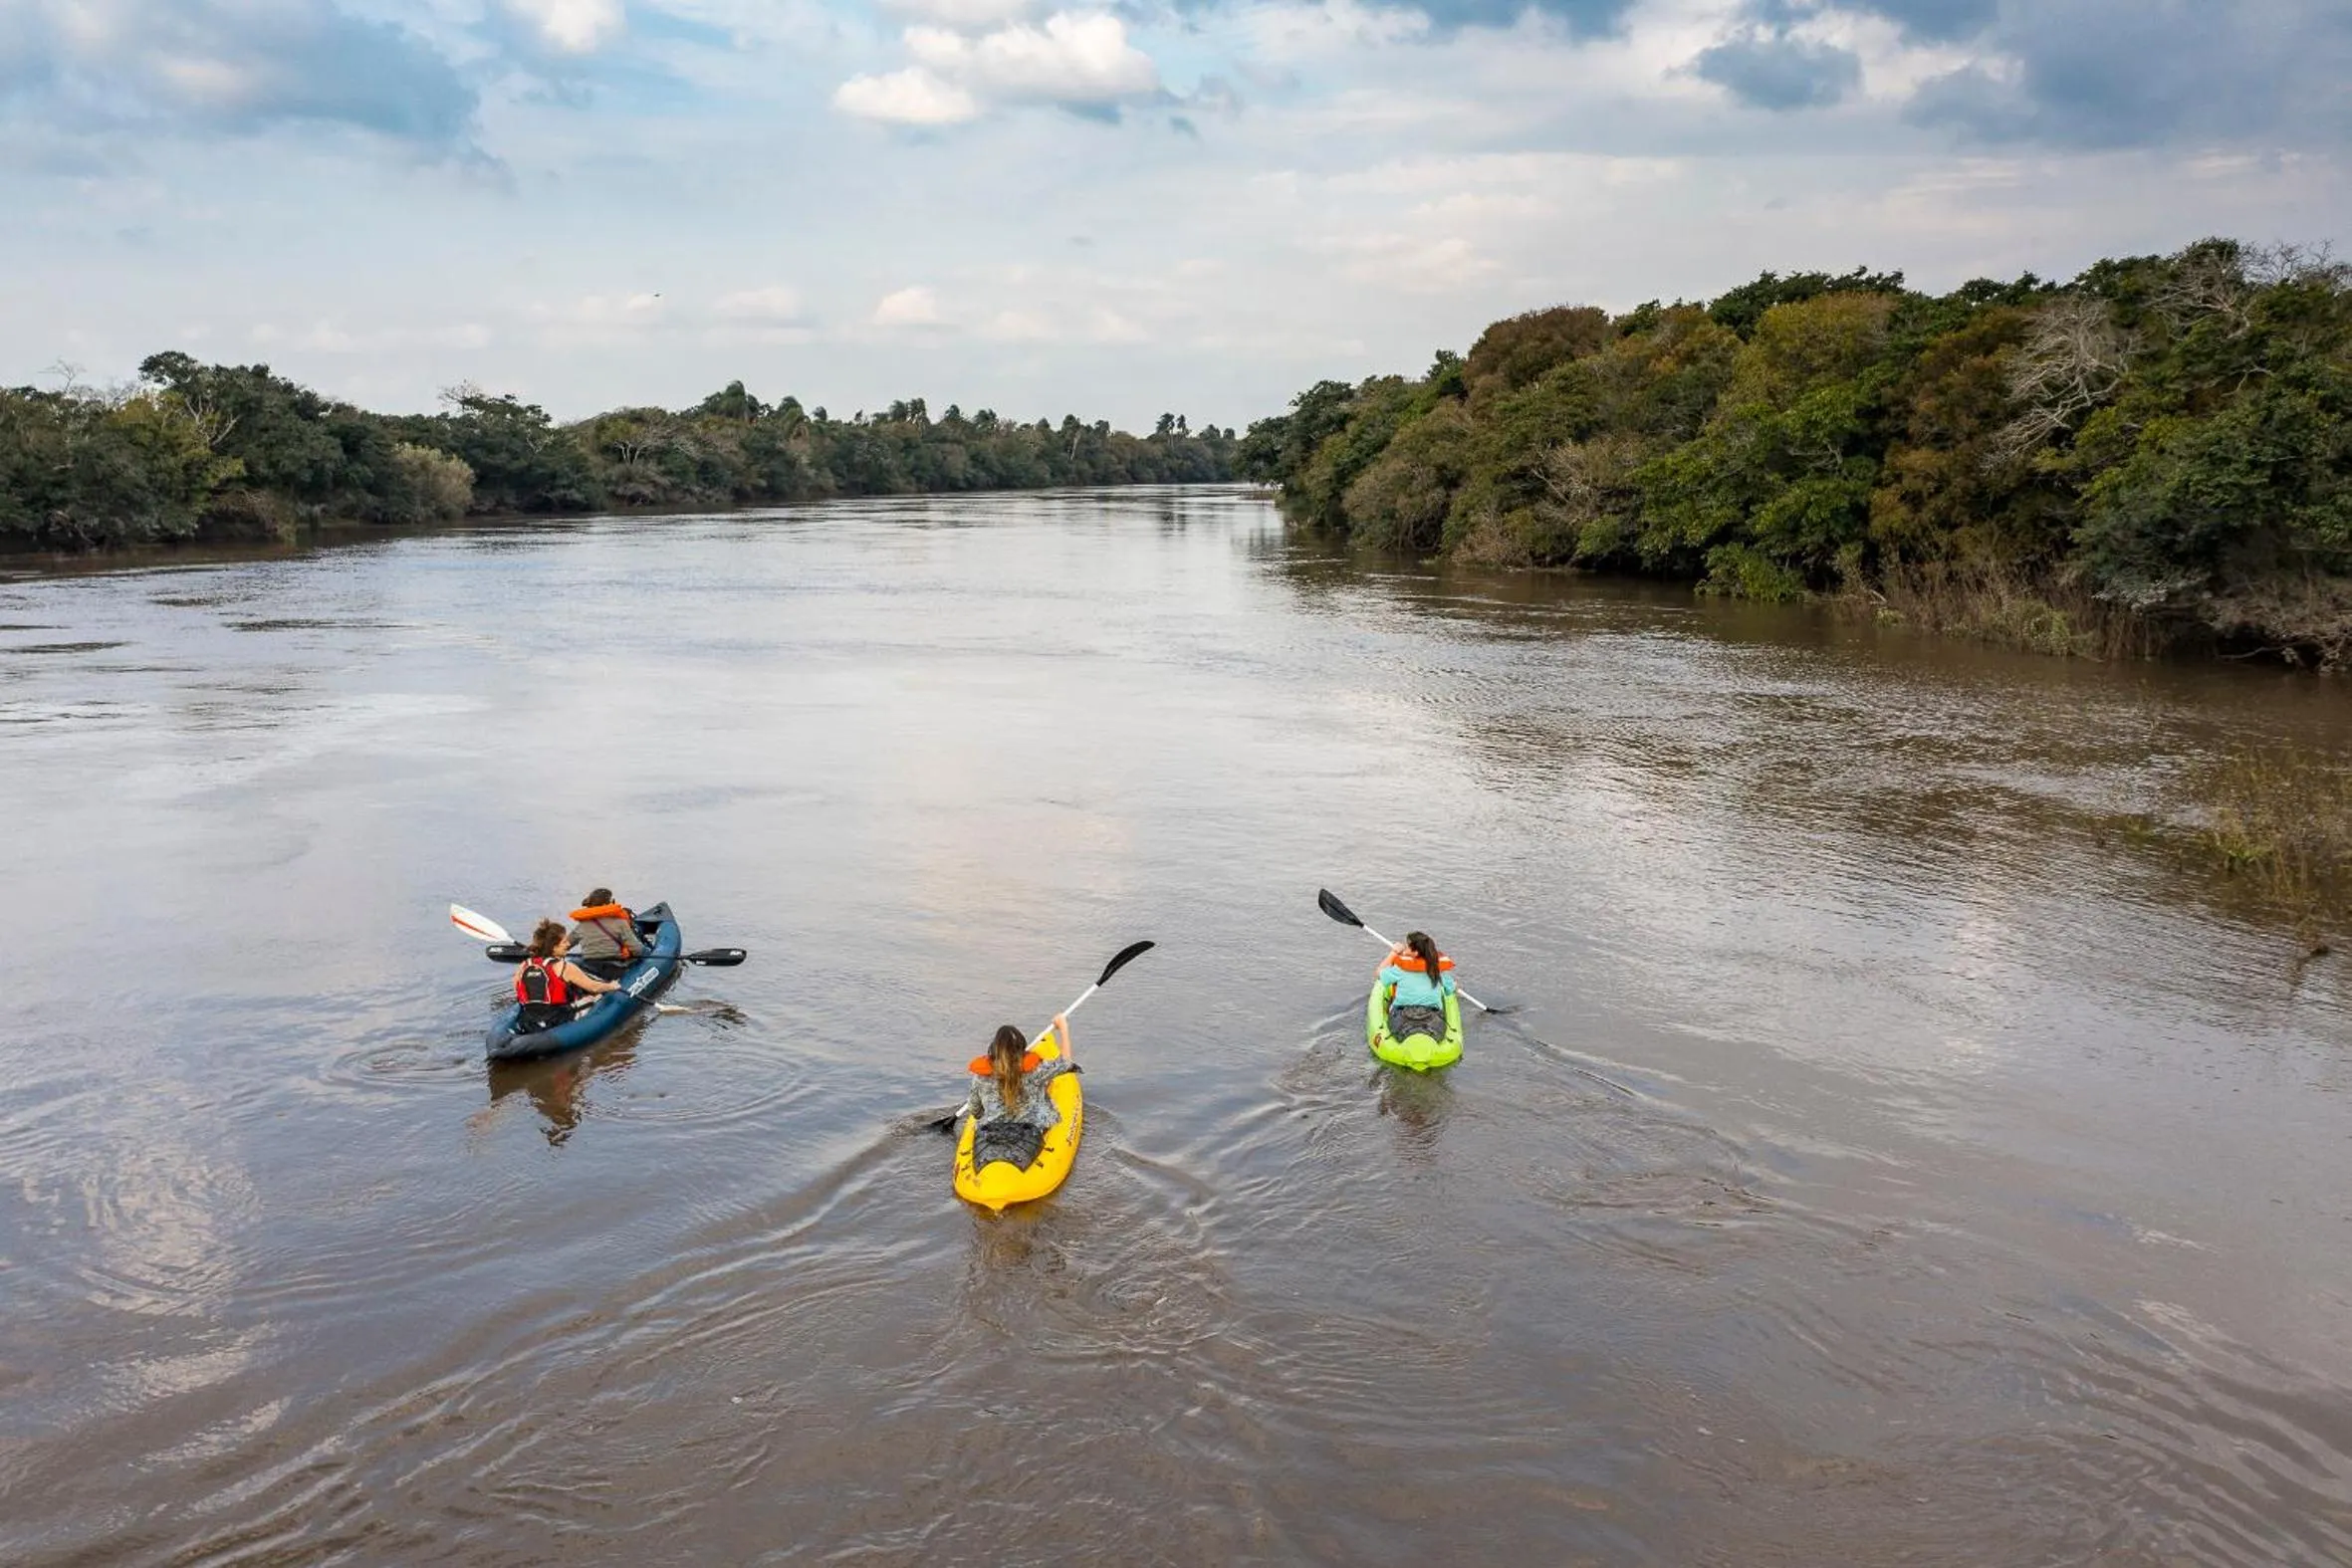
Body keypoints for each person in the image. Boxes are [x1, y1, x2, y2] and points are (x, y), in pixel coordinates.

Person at [961, 1013, 1075, 1171]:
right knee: (1043, 1088)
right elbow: (1066, 1063)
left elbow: (975, 1110)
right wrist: (1063, 1027)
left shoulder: (980, 1077)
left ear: (993, 1049)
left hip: (993, 1130)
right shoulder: (1035, 1071)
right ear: (1022, 1049)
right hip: (1031, 1130)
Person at [514, 919, 621, 1032]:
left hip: (529, 1019)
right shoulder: (564, 966)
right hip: (557, 1019)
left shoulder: (524, 965)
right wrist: (611, 986)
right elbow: (594, 987)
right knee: (597, 997)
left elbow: (519, 989)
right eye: (564, 942)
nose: (568, 944)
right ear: (554, 947)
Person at [1377, 931, 1456, 1040]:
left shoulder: (1400, 968)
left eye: (1407, 946)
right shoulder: (1438, 968)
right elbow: (1450, 990)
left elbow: (1379, 973)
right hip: (1432, 1016)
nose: (1404, 948)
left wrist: (1393, 953)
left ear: (1415, 952)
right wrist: (1454, 985)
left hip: (1401, 1015)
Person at [568, 889, 642, 981]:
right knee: (641, 955)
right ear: (605, 905)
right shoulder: (620, 923)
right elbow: (637, 949)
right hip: (614, 969)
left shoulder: (581, 926)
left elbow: (565, 945)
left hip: (590, 968)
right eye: (612, 901)